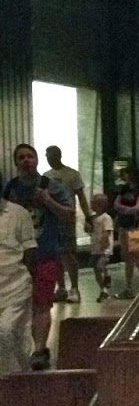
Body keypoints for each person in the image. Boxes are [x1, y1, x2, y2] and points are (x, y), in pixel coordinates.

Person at [2, 144, 74, 370]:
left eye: (30, 156)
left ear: (36, 160)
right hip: (17, 260)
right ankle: (19, 349)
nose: (26, 161)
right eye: (21, 157)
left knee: (42, 302)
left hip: (44, 253)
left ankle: (40, 349)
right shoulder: (10, 188)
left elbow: (69, 215)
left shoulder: (50, 186)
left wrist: (48, 201)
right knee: (19, 306)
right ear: (16, 163)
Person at [44, 145, 90, 303]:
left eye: (52, 156)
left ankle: (75, 288)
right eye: (47, 157)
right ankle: (61, 288)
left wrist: (88, 216)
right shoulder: (46, 176)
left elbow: (81, 197)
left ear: (59, 156)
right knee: (55, 254)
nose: (49, 160)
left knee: (68, 253)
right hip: (52, 220)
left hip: (66, 219)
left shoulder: (72, 174)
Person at [0, 184, 36, 375]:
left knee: (7, 331)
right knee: (9, 338)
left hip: (15, 286)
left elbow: (30, 249)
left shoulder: (18, 213)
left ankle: (18, 378)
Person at [112, 164, 139, 298]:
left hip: (138, 225)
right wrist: (127, 210)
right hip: (124, 225)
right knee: (127, 256)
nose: (125, 177)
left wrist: (124, 209)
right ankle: (128, 287)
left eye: (127, 174)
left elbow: (137, 208)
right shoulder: (124, 189)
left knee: (138, 255)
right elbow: (116, 205)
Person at [88, 193, 114, 301]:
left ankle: (107, 274)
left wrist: (104, 244)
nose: (91, 205)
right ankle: (103, 290)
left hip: (104, 248)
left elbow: (107, 232)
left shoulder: (106, 218)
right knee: (96, 269)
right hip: (95, 248)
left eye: (94, 203)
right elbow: (90, 231)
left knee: (100, 265)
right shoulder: (93, 218)